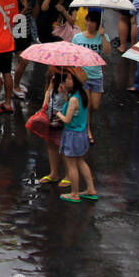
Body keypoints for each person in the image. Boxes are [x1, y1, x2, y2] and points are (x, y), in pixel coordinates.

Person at [54, 69, 97, 202]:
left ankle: (74, 193)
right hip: (82, 134)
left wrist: (59, 114)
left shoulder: (73, 99)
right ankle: (91, 189)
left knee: (71, 165)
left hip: (72, 135)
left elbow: (67, 119)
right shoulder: (82, 95)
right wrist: (65, 93)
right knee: (81, 161)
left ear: (75, 82)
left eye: (68, 79)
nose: (66, 81)